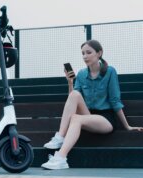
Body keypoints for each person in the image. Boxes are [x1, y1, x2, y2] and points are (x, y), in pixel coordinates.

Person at [41, 39, 143, 170]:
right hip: (88, 114)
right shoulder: (82, 74)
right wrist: (70, 82)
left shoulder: (110, 71)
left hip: (105, 119)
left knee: (76, 118)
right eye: (83, 53)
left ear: (99, 53)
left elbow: (115, 101)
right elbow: (72, 100)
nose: (85, 56)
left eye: (88, 52)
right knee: (74, 94)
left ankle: (61, 157)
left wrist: (127, 126)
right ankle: (60, 136)